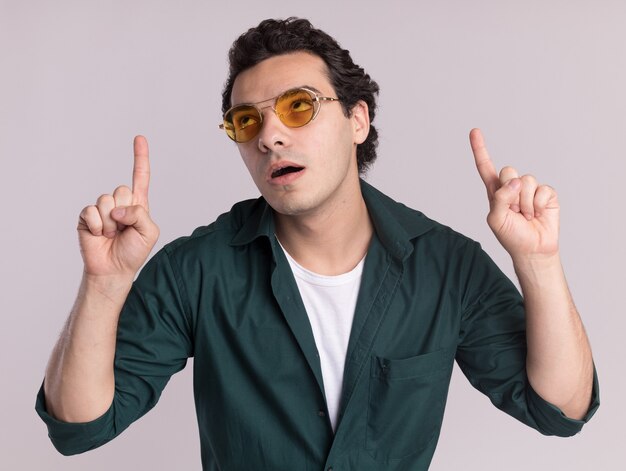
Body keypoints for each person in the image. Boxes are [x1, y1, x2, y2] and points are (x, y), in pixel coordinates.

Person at [36, 17, 599, 470]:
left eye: (298, 106)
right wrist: (104, 285)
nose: (270, 135)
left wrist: (537, 261)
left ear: (358, 120)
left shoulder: (447, 266)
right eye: (246, 122)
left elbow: (560, 409)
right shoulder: (197, 270)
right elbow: (78, 426)